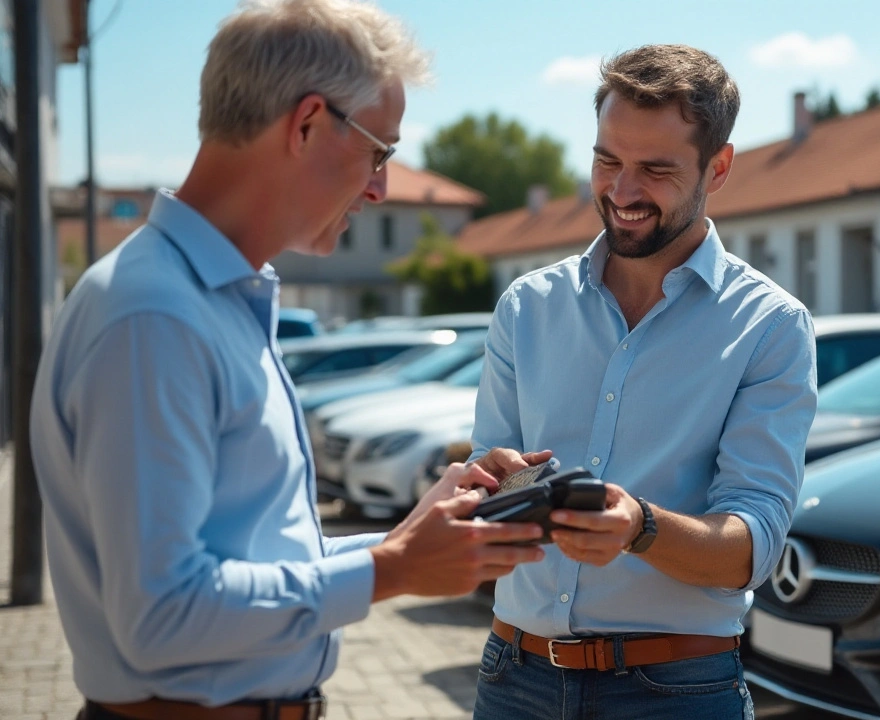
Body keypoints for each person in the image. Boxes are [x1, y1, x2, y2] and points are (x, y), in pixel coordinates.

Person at [28, 1, 546, 718]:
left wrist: (408, 541)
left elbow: (244, 565)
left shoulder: (205, 299)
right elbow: (161, 619)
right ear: (306, 124)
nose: (380, 188)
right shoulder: (156, 316)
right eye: (380, 151)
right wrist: (392, 569)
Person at [468, 44, 819, 719]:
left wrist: (641, 528)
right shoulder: (527, 307)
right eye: (608, 161)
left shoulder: (771, 326)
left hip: (675, 693)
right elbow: (487, 490)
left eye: (655, 170)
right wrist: (495, 487)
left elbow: (753, 547)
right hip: (513, 679)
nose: (622, 193)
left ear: (718, 168)